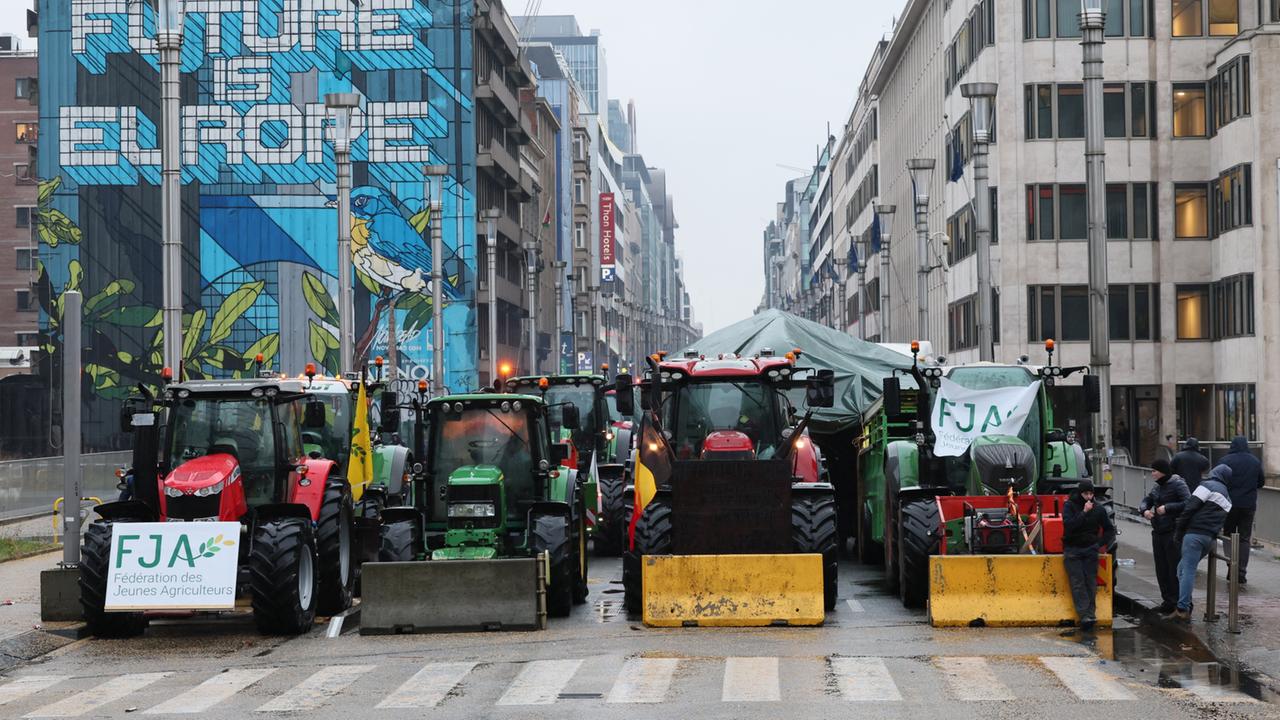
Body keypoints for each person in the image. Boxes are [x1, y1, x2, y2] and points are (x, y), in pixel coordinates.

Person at [1167, 464, 1233, 623]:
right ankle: (1186, 604)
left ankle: (1182, 609)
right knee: (1181, 569)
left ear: (1215, 472)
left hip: (1194, 535)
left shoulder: (1207, 486)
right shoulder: (1228, 498)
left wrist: (1179, 529)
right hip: (1209, 539)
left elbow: (1190, 507)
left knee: (1187, 570)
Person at [1061, 479, 1117, 631]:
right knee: (1077, 582)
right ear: (1080, 494)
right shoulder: (1069, 506)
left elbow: (1109, 529)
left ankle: (1090, 614)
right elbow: (1069, 526)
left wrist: (1098, 545)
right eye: (1086, 493)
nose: (1089, 497)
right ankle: (1084, 614)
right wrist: (1084, 512)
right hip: (1073, 549)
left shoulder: (1098, 509)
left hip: (1090, 549)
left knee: (1090, 582)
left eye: (1091, 494)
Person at [1138, 459, 1190, 612]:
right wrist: (1144, 510)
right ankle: (1167, 600)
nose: (1152, 473)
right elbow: (1147, 499)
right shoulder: (1157, 486)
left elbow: (1188, 503)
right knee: (1161, 568)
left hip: (1172, 531)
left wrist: (1167, 508)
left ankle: (1177, 602)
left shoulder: (1178, 484)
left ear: (1163, 471)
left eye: (1154, 471)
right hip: (1158, 531)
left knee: (1173, 567)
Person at [1219, 436, 1263, 585]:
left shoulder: (1225, 461)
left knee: (1228, 535)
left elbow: (1219, 480)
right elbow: (1261, 481)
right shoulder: (1255, 461)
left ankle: (1231, 567)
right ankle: (1241, 572)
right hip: (1248, 505)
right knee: (1244, 538)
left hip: (1228, 504)